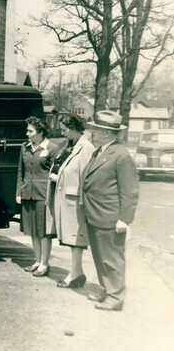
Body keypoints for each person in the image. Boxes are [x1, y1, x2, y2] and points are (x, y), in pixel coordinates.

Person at [80, 110, 139, 311]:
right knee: (99, 256)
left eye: (95, 130)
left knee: (112, 258)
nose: (92, 133)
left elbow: (129, 190)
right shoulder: (101, 151)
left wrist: (124, 219)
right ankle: (107, 290)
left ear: (106, 133)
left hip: (110, 217)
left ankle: (115, 297)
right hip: (96, 214)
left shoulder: (121, 154)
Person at [46, 113, 95, 289]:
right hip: (69, 199)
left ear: (74, 129)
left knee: (76, 240)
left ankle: (75, 275)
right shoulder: (73, 145)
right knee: (72, 240)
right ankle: (78, 273)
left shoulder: (86, 147)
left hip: (77, 201)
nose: (63, 133)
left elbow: (88, 177)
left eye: (65, 130)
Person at [16, 116, 61, 277]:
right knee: (33, 230)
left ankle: (44, 264)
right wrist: (19, 192)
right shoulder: (25, 147)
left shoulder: (52, 148)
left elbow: (57, 172)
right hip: (27, 193)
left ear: (40, 132)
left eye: (30, 131)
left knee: (43, 231)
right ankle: (37, 261)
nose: (27, 133)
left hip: (44, 195)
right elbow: (20, 171)